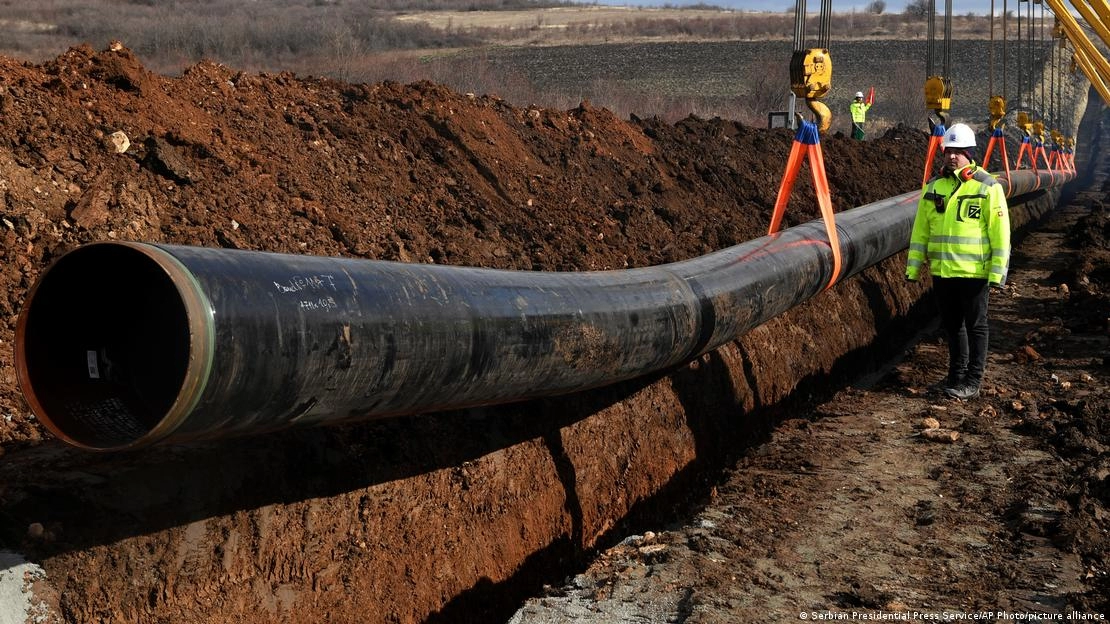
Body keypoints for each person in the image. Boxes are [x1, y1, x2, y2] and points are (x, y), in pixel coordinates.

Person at [906, 122, 1011, 400]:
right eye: (949, 151)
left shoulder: (988, 186)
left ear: (970, 154)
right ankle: (955, 375)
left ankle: (973, 380)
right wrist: (913, 268)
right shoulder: (934, 187)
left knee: (976, 325)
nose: (953, 156)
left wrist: (997, 273)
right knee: (952, 326)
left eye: (959, 151)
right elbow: (921, 230)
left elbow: (1000, 234)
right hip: (943, 272)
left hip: (974, 273)